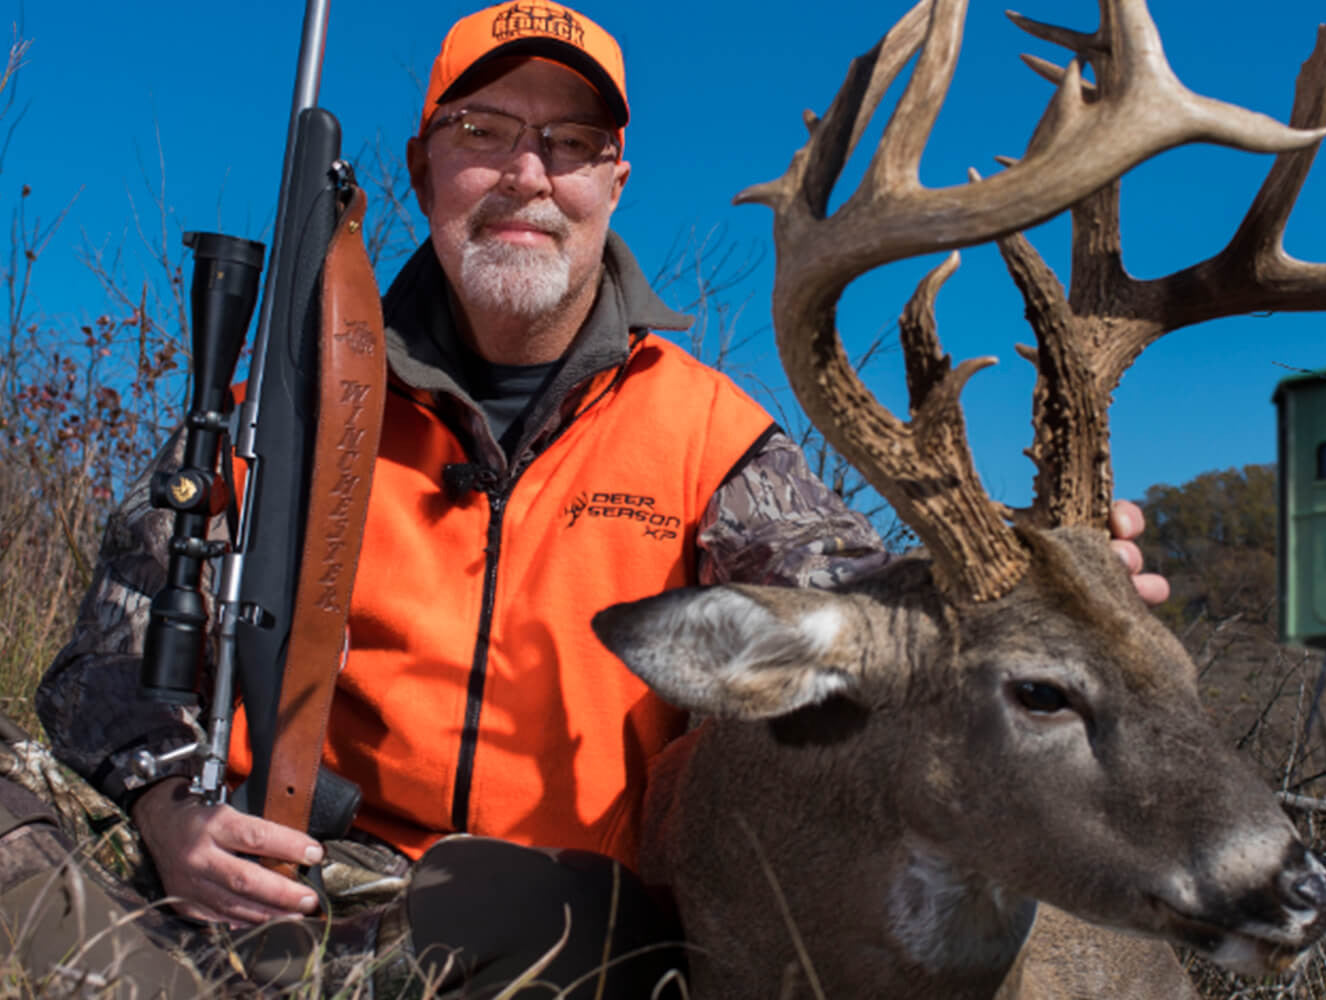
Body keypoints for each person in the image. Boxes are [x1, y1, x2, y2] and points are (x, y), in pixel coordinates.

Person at [4, 2, 1170, 996]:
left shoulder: (709, 436)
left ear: (615, 181)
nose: (527, 174)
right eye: (483, 132)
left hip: (532, 932)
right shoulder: (279, 413)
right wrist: (170, 810)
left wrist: (1034, 592)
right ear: (423, 167)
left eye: (569, 143)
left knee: (537, 906)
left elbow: (864, 613)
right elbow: (101, 666)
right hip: (246, 877)